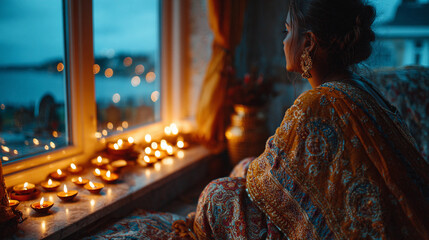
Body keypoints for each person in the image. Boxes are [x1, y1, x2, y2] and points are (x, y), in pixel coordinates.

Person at [87, 0, 429, 239]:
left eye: (286, 31)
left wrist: (240, 178)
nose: (283, 42)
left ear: (307, 43)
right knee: (242, 170)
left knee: (218, 194)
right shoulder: (359, 87)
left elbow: (269, 181)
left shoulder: (319, 102)